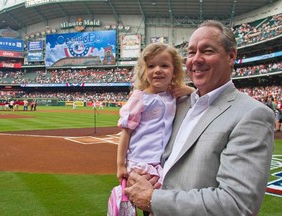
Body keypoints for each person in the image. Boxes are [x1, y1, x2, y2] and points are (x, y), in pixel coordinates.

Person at [124, 20, 275, 216]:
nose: (196, 59)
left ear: (231, 56)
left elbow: (237, 204)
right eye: (191, 52)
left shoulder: (252, 114)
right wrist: (144, 176)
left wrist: (153, 199)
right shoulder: (179, 104)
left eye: (207, 51)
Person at [112, 43, 194, 214]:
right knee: (148, 204)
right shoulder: (140, 97)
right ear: (144, 70)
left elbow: (200, 99)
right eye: (151, 66)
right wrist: (120, 165)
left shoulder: (174, 94)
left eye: (164, 65)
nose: (157, 70)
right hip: (140, 161)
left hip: (162, 162)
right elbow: (126, 133)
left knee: (159, 204)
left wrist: (190, 89)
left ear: (175, 70)